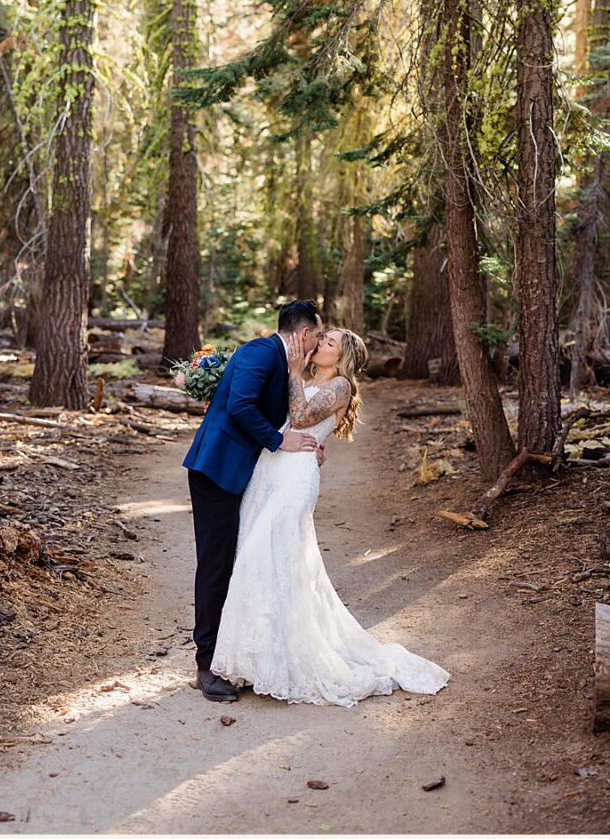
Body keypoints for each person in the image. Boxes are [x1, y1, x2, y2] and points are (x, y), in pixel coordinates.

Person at [210, 325, 449, 706]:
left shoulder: (340, 387)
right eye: (322, 338)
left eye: (330, 342)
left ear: (341, 356)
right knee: (259, 560)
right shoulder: (303, 377)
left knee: (271, 556)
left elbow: (302, 417)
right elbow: (279, 418)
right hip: (269, 472)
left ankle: (286, 662)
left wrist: (292, 373)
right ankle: (254, 662)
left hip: (294, 478)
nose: (320, 343)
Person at [182, 300, 326, 703]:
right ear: (303, 334)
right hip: (216, 470)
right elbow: (241, 405)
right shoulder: (260, 352)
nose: (317, 343)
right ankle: (206, 665)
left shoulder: (279, 362)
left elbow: (271, 413)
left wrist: (305, 445)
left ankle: (231, 655)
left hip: (239, 473)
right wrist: (281, 441)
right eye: (317, 335)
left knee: (236, 561)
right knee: (215, 564)